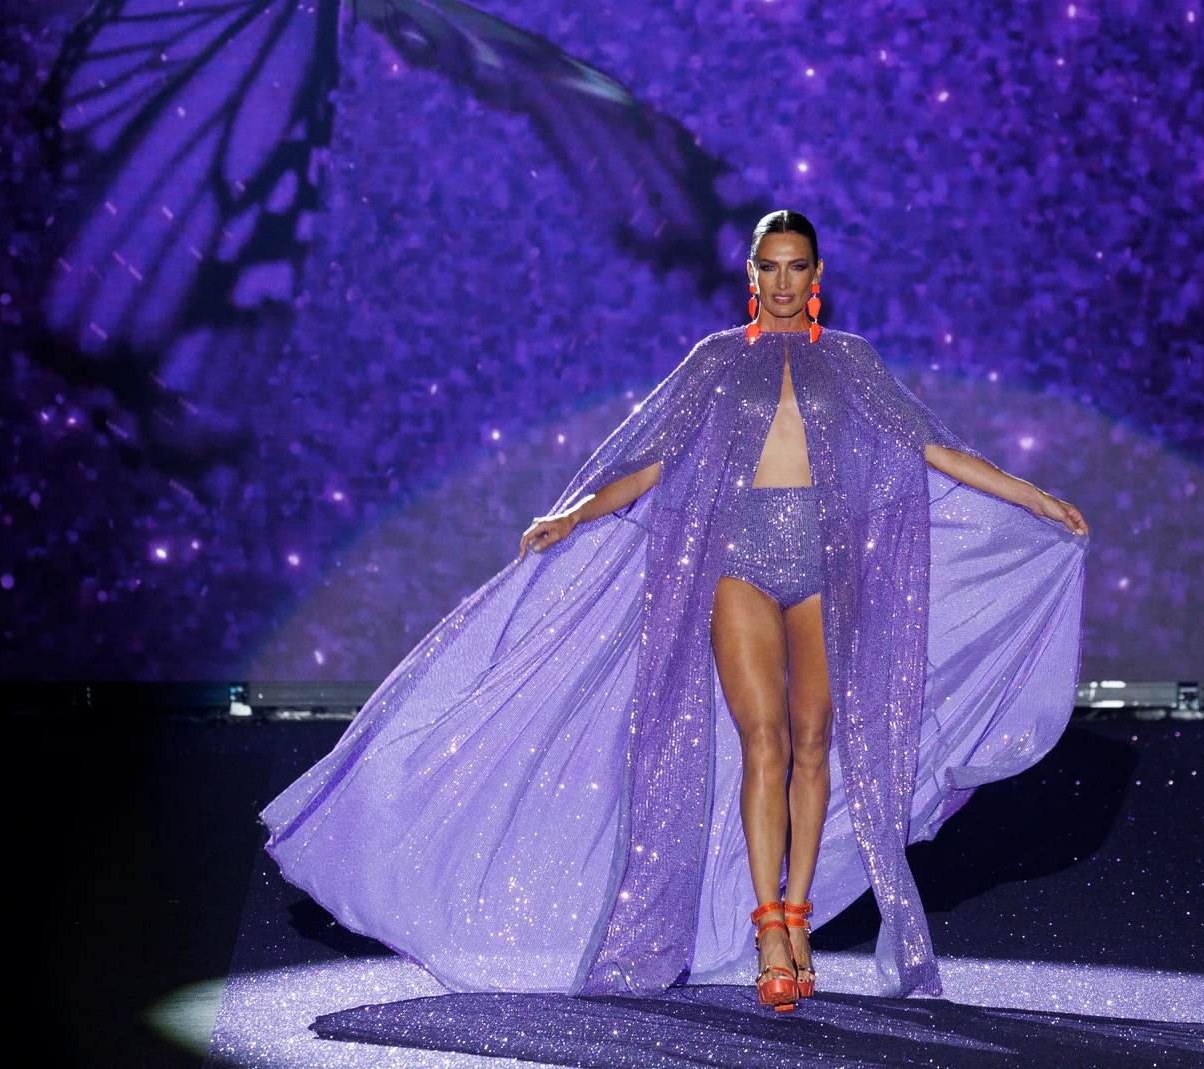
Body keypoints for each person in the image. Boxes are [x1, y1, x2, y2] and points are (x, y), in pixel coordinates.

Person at [260, 210, 1090, 1011]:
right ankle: (769, 931)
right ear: (751, 274)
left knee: (812, 742)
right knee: (764, 737)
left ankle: (797, 917)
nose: (782, 281)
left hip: (828, 570)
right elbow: (656, 461)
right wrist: (577, 512)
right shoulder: (718, 359)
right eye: (769, 266)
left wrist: (1037, 498)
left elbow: (928, 445)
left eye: (797, 266)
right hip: (740, 564)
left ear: (817, 276)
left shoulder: (853, 360)